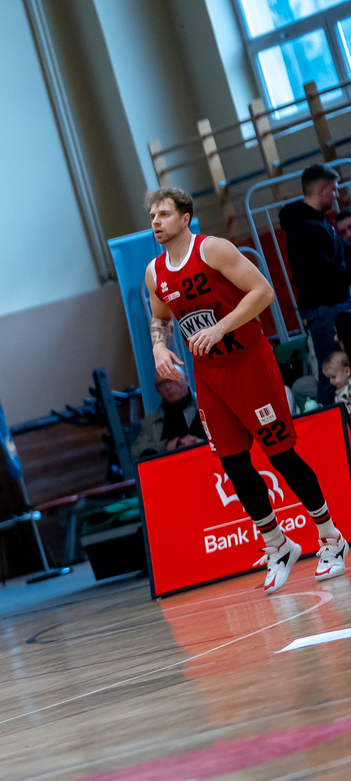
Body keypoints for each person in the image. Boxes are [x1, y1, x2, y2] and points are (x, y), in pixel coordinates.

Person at [147, 188, 348, 590]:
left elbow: (264, 292)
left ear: (185, 219)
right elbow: (161, 318)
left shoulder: (213, 250)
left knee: (281, 455)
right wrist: (158, 347)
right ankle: (278, 544)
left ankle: (331, 538)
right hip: (209, 376)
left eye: (164, 214)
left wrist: (221, 327)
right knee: (233, 464)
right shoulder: (155, 272)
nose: (156, 221)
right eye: (152, 215)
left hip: (248, 364)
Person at [279, 164, 351, 405]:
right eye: (334, 189)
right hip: (324, 310)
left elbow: (340, 248)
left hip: (334, 305)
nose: (337, 194)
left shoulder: (318, 220)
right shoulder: (304, 228)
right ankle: (332, 423)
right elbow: (323, 275)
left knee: (339, 369)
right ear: (321, 189)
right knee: (332, 374)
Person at [131, 375, 207, 460]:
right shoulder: (151, 421)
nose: (167, 387)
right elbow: (136, 451)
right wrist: (167, 445)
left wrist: (202, 442)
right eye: (161, 384)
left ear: (186, 380)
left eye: (171, 380)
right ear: (157, 390)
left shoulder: (206, 405)